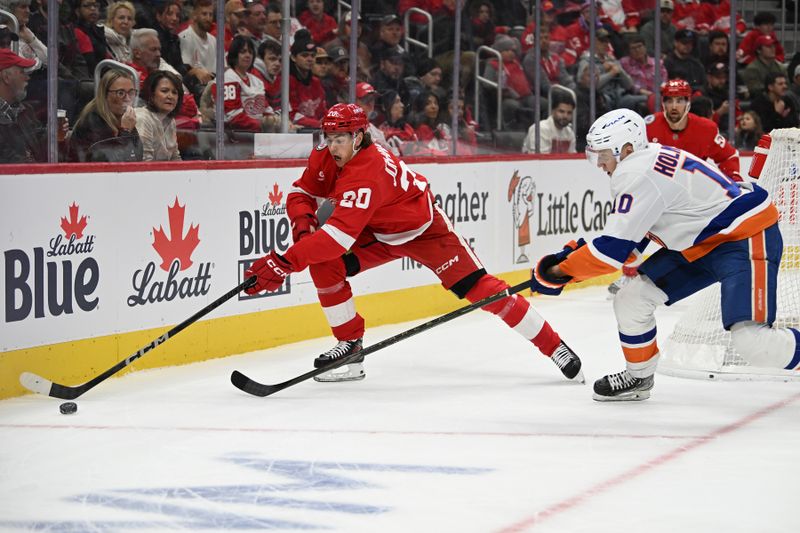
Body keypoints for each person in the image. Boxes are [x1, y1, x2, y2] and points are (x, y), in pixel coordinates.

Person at [244, 103, 584, 384]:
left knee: (485, 292)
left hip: (425, 233)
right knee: (322, 262)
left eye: (340, 139)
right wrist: (302, 233)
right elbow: (301, 192)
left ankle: (555, 347)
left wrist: (284, 261)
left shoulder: (367, 170)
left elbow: (336, 238)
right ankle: (349, 347)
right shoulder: (328, 155)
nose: (332, 146)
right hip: (377, 231)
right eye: (329, 138)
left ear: (359, 137)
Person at [531, 108, 800, 401]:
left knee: (752, 343)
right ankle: (638, 377)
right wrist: (572, 257)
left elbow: (611, 254)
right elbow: (631, 247)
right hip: (703, 243)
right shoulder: (646, 161)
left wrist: (556, 273)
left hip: (744, 236)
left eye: (603, 155)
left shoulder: (634, 173)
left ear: (627, 149)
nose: (600, 164)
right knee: (632, 297)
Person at [645, 79, 741, 181]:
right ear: (663, 103)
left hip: (691, 190)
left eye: (679, 101)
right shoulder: (648, 126)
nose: (674, 106)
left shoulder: (706, 128)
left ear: (688, 103)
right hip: (657, 187)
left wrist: (734, 180)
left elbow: (728, 156)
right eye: (669, 101)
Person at [205, 35, 279, 132]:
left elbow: (266, 110)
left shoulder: (257, 81)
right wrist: (261, 126)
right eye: (243, 52)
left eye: (250, 52)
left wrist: (276, 122)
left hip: (257, 132)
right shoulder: (227, 79)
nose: (248, 55)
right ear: (235, 55)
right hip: (236, 135)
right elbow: (233, 117)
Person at [67, 68, 143, 162]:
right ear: (105, 95)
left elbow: (138, 155)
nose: (127, 99)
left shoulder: (124, 119)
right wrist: (125, 132)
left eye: (131, 92)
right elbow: (110, 163)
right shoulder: (92, 122)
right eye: (120, 93)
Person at [0, 47, 56, 163]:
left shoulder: (25, 111)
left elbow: (40, 144)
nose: (27, 77)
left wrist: (55, 136)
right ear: (6, 77)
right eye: (22, 72)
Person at [134, 70, 182, 161]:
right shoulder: (142, 118)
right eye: (164, 91)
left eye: (174, 92)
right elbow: (145, 162)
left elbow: (175, 158)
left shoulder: (170, 121)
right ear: (151, 95)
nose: (170, 96)